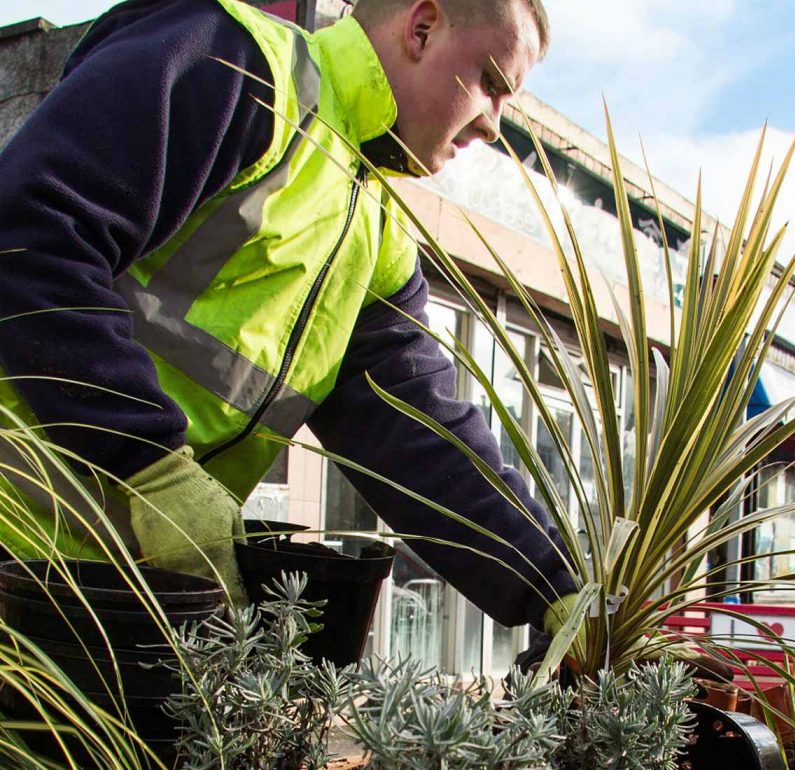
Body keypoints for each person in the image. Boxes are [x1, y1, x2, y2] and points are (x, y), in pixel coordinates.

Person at [0, 0, 579, 636]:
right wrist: (148, 462)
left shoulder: (376, 234)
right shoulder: (237, 67)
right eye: (492, 84)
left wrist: (555, 588)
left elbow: (422, 437)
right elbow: (30, 234)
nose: (494, 126)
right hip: (18, 544)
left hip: (112, 603)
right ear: (422, 26)